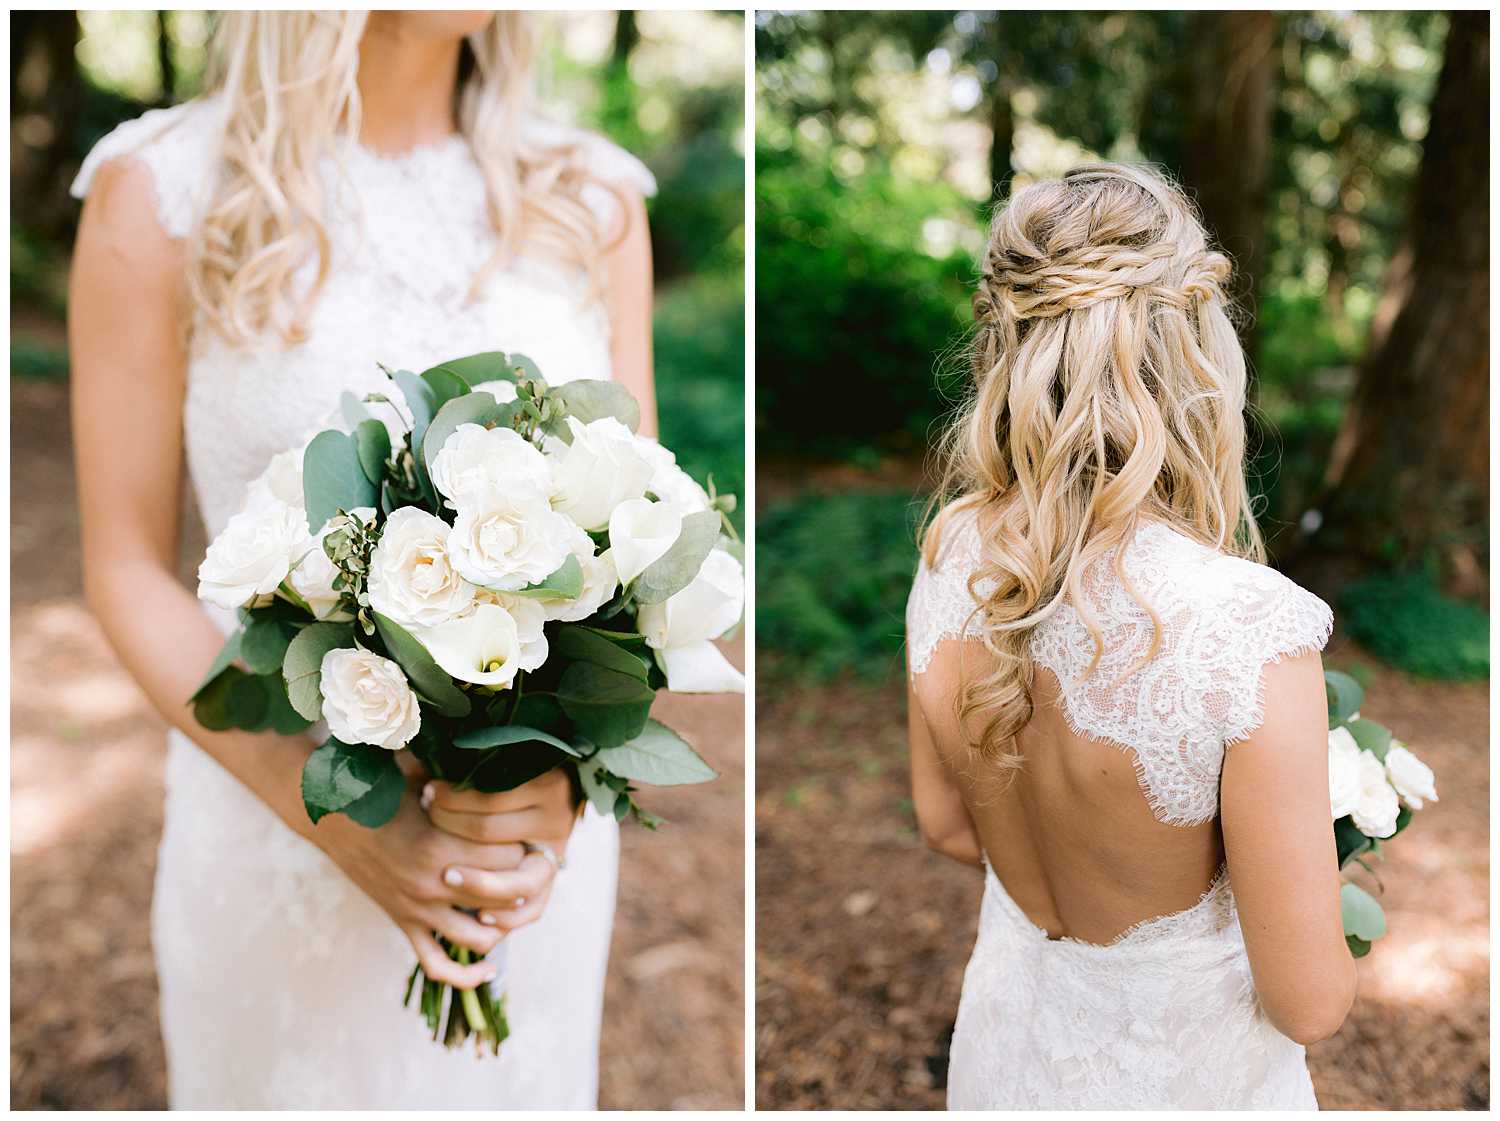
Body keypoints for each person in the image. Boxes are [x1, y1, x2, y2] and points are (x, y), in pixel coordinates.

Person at [69, 11, 655, 1108]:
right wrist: (335, 809)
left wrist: (557, 783)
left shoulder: (594, 199)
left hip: (520, 846)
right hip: (272, 821)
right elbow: (126, 567)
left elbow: (634, 550)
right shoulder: (160, 193)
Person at [905, 162, 1356, 1109]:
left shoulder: (951, 549)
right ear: (1196, 350)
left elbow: (947, 825)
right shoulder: (1249, 627)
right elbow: (1310, 1004)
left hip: (1008, 1058)